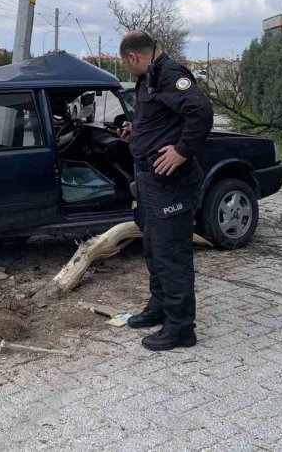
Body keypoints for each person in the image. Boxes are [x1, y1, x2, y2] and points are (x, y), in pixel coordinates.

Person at [118, 30, 213, 351]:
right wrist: (135, 131)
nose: (128, 68)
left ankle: (181, 327)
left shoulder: (170, 75)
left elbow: (201, 111)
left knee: (172, 253)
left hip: (172, 184)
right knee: (154, 248)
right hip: (151, 182)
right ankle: (159, 306)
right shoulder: (150, 78)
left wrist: (182, 151)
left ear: (133, 56)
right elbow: (161, 119)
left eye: (126, 63)